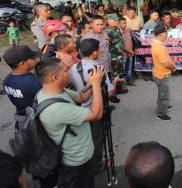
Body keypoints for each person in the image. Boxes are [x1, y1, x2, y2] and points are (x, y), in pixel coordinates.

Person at [35, 58, 105, 188]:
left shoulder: (53, 91)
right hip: (76, 162)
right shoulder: (55, 108)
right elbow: (96, 114)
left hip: (78, 154)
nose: (70, 72)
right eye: (66, 70)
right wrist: (96, 85)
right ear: (55, 77)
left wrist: (90, 82)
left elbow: (82, 97)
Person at [69, 39, 120, 172]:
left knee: (87, 138)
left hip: (82, 108)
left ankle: (89, 160)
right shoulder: (98, 69)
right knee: (98, 139)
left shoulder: (74, 68)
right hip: (98, 109)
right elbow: (109, 93)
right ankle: (97, 165)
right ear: (95, 52)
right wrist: (114, 82)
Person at [2, 45, 41, 116]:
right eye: (33, 58)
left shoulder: (6, 81)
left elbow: (15, 102)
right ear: (22, 63)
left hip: (22, 119)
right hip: (37, 119)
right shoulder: (35, 82)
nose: (36, 58)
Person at [151, 24, 176, 121]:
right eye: (166, 33)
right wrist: (173, 67)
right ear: (161, 34)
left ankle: (162, 107)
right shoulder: (159, 47)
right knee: (164, 95)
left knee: (161, 93)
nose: (167, 35)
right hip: (162, 74)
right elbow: (166, 64)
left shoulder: (156, 43)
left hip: (158, 73)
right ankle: (161, 114)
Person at [104, 14, 125, 80]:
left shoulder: (117, 29)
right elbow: (107, 45)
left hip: (120, 55)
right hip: (113, 56)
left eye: (117, 20)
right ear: (108, 21)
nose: (117, 21)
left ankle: (120, 86)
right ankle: (114, 88)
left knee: (119, 72)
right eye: (115, 20)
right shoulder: (106, 31)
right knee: (114, 73)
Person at [119, 17, 136, 86]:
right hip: (123, 54)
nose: (125, 24)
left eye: (125, 23)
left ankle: (129, 80)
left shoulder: (127, 31)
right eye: (123, 23)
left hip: (129, 53)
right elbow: (121, 45)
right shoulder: (118, 33)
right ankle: (123, 84)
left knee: (129, 68)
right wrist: (129, 51)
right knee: (123, 69)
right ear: (118, 24)